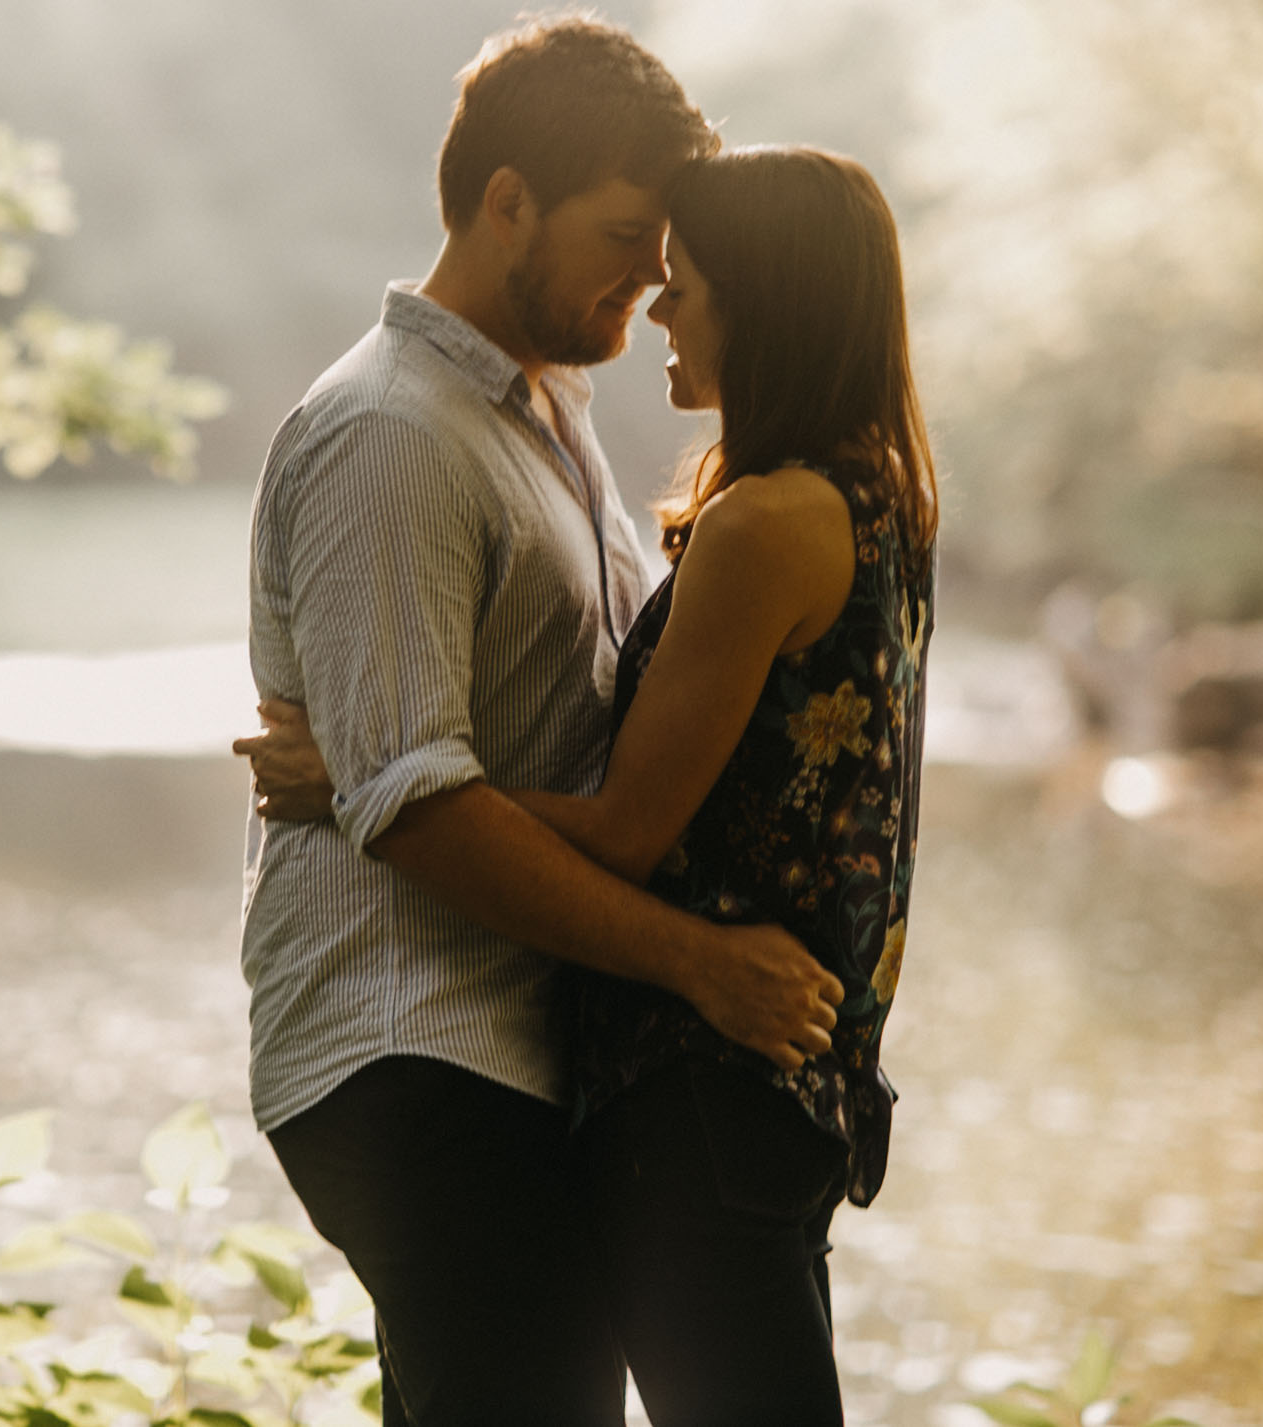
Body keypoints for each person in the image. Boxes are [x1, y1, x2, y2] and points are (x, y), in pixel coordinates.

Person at [245, 144, 938, 1426]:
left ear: (765, 303)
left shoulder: (760, 522)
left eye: (687, 279)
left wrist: (361, 771)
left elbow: (623, 826)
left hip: (703, 1083)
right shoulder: (875, 500)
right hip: (765, 1084)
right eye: (643, 259)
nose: (659, 302)